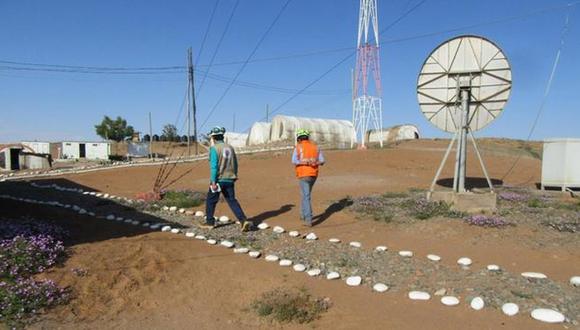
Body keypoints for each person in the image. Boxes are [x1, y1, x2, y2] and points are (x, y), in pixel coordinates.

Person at [199, 126, 251, 231]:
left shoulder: (214, 149)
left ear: (213, 138)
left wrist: (213, 181)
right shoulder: (230, 148)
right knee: (232, 201)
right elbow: (235, 164)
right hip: (230, 179)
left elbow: (213, 167)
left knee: (211, 201)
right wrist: (234, 175)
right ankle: (243, 220)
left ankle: (209, 222)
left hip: (218, 180)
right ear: (222, 136)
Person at [292, 129, 325, 227]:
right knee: (305, 194)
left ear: (299, 138)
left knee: (306, 196)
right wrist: (315, 162)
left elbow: (294, 160)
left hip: (303, 174)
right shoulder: (315, 147)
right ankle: (302, 214)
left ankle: (308, 219)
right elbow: (322, 161)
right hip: (313, 174)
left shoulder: (298, 147)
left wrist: (304, 162)